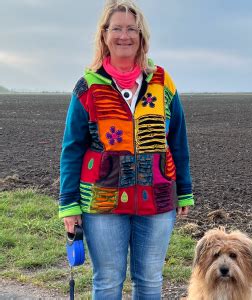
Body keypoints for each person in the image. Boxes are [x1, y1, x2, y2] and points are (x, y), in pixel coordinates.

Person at [59, 0, 194, 299]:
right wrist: (68, 205)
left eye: (131, 29)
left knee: (149, 280)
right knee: (107, 280)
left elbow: (178, 139)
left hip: (157, 198)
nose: (124, 36)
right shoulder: (88, 86)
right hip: (102, 201)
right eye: (116, 28)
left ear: (141, 36)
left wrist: (184, 190)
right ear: (104, 35)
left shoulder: (162, 81)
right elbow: (72, 148)